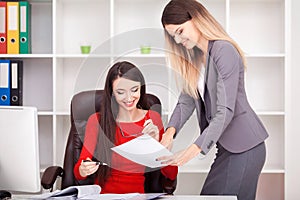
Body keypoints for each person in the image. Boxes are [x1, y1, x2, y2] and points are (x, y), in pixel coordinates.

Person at [158, 0, 269, 199]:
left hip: (245, 147)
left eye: (180, 31)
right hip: (227, 148)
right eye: (173, 35)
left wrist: (194, 149)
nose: (177, 40)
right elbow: (186, 101)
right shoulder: (195, 57)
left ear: (197, 19)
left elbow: (225, 111)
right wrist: (169, 132)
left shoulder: (223, 51)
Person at [73, 61, 177, 194]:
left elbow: (171, 174)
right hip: (103, 196)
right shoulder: (97, 121)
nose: (129, 98)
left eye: (134, 90)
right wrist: (83, 169)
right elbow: (78, 173)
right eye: (121, 92)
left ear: (141, 88)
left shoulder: (152, 119)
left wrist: (158, 146)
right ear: (112, 93)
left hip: (136, 195)